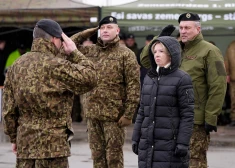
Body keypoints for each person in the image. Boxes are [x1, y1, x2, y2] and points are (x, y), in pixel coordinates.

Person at [3, 19, 97, 168]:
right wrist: (74, 52)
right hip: (54, 149)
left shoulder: (16, 66)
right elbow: (91, 78)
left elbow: (8, 110)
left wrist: (14, 138)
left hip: (25, 145)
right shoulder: (57, 65)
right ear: (54, 39)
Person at [140, 13, 227, 168]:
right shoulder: (174, 48)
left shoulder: (210, 51)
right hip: (170, 118)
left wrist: (211, 116)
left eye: (187, 27)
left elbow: (218, 86)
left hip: (195, 119)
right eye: (181, 27)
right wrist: (159, 39)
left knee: (194, 161)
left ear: (198, 29)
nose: (183, 31)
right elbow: (146, 61)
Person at [70, 16, 140, 168]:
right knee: (97, 158)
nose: (106, 31)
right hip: (92, 115)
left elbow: (134, 86)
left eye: (109, 27)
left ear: (117, 30)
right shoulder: (90, 51)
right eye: (102, 28)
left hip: (114, 117)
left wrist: (129, 114)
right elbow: (68, 47)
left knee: (114, 158)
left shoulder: (126, 54)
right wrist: (87, 32)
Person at [132, 36, 194, 168]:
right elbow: (142, 111)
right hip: (148, 144)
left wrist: (183, 143)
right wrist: (136, 137)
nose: (157, 55)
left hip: (170, 144)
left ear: (171, 54)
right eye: (155, 52)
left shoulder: (182, 79)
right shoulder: (150, 77)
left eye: (161, 51)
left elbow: (187, 115)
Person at [224, 40, 235, 126]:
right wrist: (227, 74)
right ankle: (234, 118)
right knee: (233, 99)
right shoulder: (231, 46)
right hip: (233, 77)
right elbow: (226, 61)